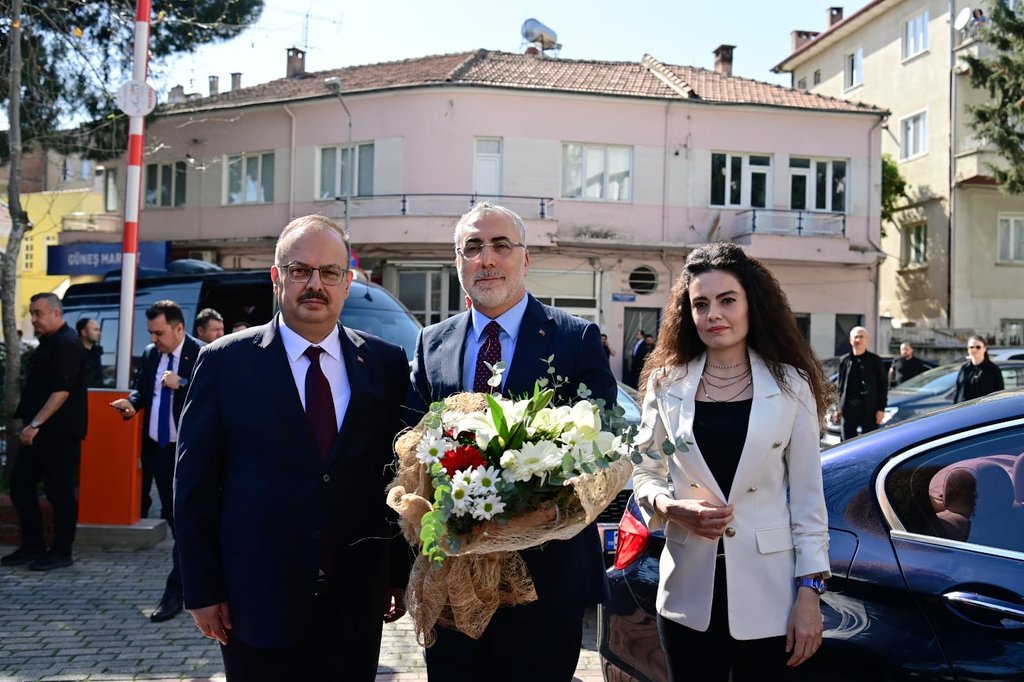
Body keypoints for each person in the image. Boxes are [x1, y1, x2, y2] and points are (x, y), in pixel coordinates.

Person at [174, 215, 410, 680]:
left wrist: (398, 575)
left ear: (348, 281)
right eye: (300, 270)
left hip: (355, 601)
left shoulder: (384, 364)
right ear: (277, 278)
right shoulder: (225, 362)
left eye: (329, 273)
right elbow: (194, 487)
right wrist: (201, 589)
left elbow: (397, 480)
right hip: (254, 601)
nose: (314, 284)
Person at [407, 201, 617, 682]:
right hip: (453, 587)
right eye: (473, 247)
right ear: (458, 261)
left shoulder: (574, 338)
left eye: (501, 245)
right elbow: (409, 450)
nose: (487, 258)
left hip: (547, 582)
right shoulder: (430, 343)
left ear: (525, 259)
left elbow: (604, 446)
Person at [631, 243, 832, 681]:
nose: (713, 314)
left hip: (771, 595)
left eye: (726, 300)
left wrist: (810, 593)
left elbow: (809, 500)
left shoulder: (792, 386)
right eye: (700, 304)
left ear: (751, 304)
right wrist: (669, 508)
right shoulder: (667, 383)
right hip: (687, 593)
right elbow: (643, 469)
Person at [109, 300, 202, 623]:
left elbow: (213, 398)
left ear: (179, 328)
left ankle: (175, 592)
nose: (154, 339)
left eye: (159, 332)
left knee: (186, 522)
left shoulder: (202, 354)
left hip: (189, 453)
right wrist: (131, 404)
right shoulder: (151, 354)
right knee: (176, 523)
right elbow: (143, 392)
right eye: (151, 333)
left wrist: (184, 384)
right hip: (159, 450)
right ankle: (192, 582)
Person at [2, 293, 88, 571]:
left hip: (58, 433)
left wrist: (35, 424)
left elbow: (62, 391)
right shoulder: (48, 343)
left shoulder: (68, 343)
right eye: (32, 313)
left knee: (58, 491)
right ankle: (32, 546)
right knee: (21, 484)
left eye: (38, 313)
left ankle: (62, 551)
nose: (33, 319)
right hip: (38, 432)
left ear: (55, 313)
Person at [834, 326, 887, 440]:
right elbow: (840, 386)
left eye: (861, 337)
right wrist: (838, 408)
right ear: (850, 340)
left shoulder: (875, 361)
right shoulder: (844, 360)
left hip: (869, 408)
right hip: (848, 409)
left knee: (869, 441)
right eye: (856, 337)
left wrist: (881, 409)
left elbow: (882, 386)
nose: (858, 340)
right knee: (846, 442)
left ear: (866, 340)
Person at [953, 335, 1004, 403]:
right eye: (971, 347)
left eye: (978, 347)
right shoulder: (964, 368)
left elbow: (999, 393)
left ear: (985, 348)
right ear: (968, 349)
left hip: (985, 410)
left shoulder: (993, 369)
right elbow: (958, 392)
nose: (974, 350)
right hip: (964, 410)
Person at [76, 317, 105, 388]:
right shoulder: (74, 353)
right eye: (95, 330)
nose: (99, 333)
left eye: (99, 330)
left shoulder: (97, 354)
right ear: (84, 332)